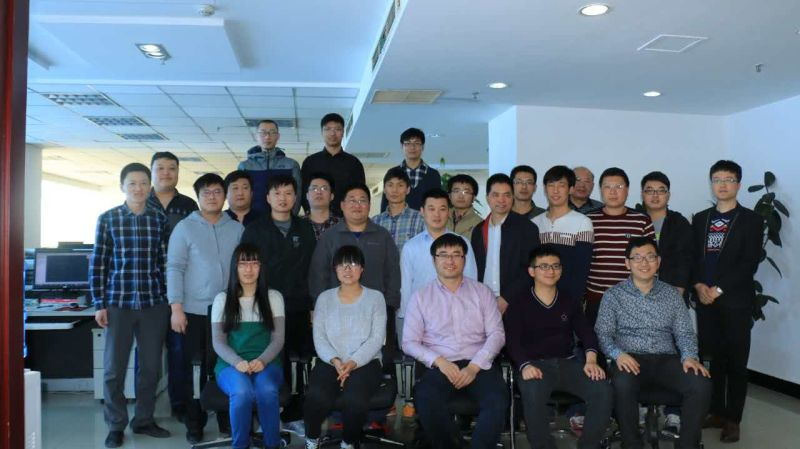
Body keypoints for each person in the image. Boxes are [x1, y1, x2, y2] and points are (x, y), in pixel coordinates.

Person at [595, 237, 711, 449]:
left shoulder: (671, 295)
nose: (644, 263)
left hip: (666, 360)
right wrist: (618, 354)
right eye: (637, 258)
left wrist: (689, 357)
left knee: (700, 383)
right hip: (630, 359)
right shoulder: (613, 295)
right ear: (627, 263)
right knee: (622, 383)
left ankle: (687, 445)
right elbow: (603, 333)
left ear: (658, 262)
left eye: (650, 257)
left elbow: (685, 332)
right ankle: (632, 444)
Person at [91, 163, 171, 448]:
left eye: (143, 183)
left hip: (153, 304)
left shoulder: (158, 219)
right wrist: (99, 303)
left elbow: (165, 263)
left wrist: (170, 301)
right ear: (122, 187)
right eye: (132, 183)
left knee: (150, 368)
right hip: (119, 304)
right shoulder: (108, 219)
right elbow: (99, 263)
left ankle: (144, 419)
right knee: (114, 369)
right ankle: (116, 425)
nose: (138, 188)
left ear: (150, 186)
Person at [403, 234, 508, 449]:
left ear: (464, 259)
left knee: (497, 399)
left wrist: (474, 367)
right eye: (443, 255)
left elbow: (497, 334)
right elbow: (409, 342)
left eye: (456, 255)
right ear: (434, 260)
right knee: (426, 398)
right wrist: (439, 361)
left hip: (478, 364)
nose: (450, 260)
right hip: (441, 365)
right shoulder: (420, 296)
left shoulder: (482, 292)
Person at [504, 245, 611, 449]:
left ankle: (588, 445)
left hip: (567, 363)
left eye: (555, 266)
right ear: (532, 271)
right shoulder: (519, 303)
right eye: (543, 266)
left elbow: (586, 332)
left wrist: (591, 360)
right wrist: (524, 365)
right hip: (534, 366)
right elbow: (512, 340)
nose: (550, 271)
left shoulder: (568, 299)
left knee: (602, 389)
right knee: (533, 393)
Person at [167, 173, 244, 443]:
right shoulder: (185, 228)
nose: (212, 197)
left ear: (224, 196)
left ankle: (226, 419)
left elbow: (244, 268)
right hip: (193, 311)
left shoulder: (235, 228)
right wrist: (176, 308)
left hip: (229, 310)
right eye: (206, 193)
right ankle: (194, 423)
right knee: (195, 368)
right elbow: (174, 268)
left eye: (217, 192)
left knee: (227, 365)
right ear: (198, 197)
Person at [691, 160, 762, 443]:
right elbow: (694, 259)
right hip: (705, 301)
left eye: (728, 179)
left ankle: (733, 419)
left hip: (735, 302)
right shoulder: (700, 219)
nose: (722, 184)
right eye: (717, 179)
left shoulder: (751, 220)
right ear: (711, 183)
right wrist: (698, 286)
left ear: (738, 185)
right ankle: (717, 411)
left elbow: (749, 263)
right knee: (713, 359)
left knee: (736, 361)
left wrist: (718, 289)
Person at [240, 174, 317, 433]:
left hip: (297, 307)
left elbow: (312, 269)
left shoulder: (305, 228)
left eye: (288, 193)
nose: (282, 198)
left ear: (295, 198)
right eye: (277, 193)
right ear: (267, 197)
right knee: (267, 361)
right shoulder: (255, 230)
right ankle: (265, 416)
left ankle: (294, 414)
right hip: (263, 307)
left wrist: (312, 305)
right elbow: (245, 269)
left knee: (298, 362)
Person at [309, 183, 401, 368]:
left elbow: (393, 271)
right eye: (352, 200)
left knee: (378, 362)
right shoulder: (330, 237)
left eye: (362, 201)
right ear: (342, 205)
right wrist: (318, 306)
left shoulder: (382, 236)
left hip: (375, 312)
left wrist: (389, 305)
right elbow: (318, 273)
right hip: (337, 314)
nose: (357, 205)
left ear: (369, 205)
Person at [304, 246, 387, 449]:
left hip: (366, 362)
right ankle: (312, 439)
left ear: (362, 269)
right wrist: (335, 361)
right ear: (335, 269)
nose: (347, 269)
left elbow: (376, 338)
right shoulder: (324, 298)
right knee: (317, 396)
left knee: (355, 399)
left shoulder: (376, 298)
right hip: (330, 361)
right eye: (342, 264)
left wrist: (352, 362)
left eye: (353, 264)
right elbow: (319, 337)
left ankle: (348, 442)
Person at [211, 243, 286, 449]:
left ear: (261, 267)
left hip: (267, 363)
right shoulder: (222, 299)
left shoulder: (273, 297)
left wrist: (262, 360)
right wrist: (237, 362)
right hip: (230, 365)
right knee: (242, 392)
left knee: (266, 390)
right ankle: (240, 445)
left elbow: (278, 339)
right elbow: (218, 341)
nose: (249, 269)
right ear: (235, 267)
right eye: (243, 264)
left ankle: (272, 445)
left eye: (254, 263)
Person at [640, 171, 694, 436]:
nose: (655, 195)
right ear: (642, 194)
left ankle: (674, 414)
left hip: (671, 297)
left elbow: (685, 259)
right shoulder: (635, 219)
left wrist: (676, 294)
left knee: (674, 354)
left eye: (660, 190)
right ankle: (639, 409)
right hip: (638, 299)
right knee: (638, 350)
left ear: (668, 195)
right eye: (649, 190)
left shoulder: (679, 223)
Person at [146, 151, 198, 419]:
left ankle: (180, 405)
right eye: (161, 168)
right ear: (152, 171)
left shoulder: (188, 205)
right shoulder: (140, 202)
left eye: (171, 168)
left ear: (178, 172)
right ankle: (144, 411)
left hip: (181, 292)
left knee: (180, 353)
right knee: (148, 355)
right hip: (147, 291)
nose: (166, 173)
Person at [399, 188, 478, 345]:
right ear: (422, 211)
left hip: (457, 318)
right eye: (431, 209)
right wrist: (408, 321)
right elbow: (406, 287)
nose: (437, 214)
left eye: (442, 209)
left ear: (449, 212)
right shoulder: (411, 247)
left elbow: (471, 282)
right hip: (422, 319)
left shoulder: (462, 243)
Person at [584, 167, 654, 327]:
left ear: (627, 190)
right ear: (600, 190)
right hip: (597, 299)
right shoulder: (587, 220)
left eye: (619, 187)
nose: (613, 192)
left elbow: (652, 261)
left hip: (633, 299)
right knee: (596, 341)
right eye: (607, 187)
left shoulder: (642, 220)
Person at [471, 174, 541, 314]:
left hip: (516, 302)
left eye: (507, 195)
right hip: (483, 300)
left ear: (513, 197)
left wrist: (506, 298)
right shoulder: (479, 230)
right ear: (487, 198)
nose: (501, 200)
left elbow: (531, 268)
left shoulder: (527, 228)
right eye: (495, 195)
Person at [532, 166, 594, 301]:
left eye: (561, 185)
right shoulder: (534, 223)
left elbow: (581, 271)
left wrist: (570, 303)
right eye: (551, 185)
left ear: (571, 189)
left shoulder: (583, 222)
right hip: (536, 297)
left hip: (567, 299)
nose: (555, 190)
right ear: (545, 188)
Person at [300, 113, 366, 216]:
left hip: (345, 220)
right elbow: (303, 192)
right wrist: (311, 215)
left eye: (337, 129)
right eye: (328, 129)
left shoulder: (354, 163)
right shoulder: (310, 162)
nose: (332, 133)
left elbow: (360, 193)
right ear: (322, 132)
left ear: (343, 132)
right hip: (315, 219)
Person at [238, 119, 302, 214]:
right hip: (252, 219)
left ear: (278, 136)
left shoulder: (291, 165)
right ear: (256, 136)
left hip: (283, 218)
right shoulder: (245, 166)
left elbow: (298, 194)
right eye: (263, 133)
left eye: (272, 132)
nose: (267, 136)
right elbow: (240, 195)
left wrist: (291, 218)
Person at [380, 127, 442, 211]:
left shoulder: (433, 175)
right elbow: (385, 204)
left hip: (426, 219)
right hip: (398, 219)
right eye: (408, 143)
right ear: (402, 146)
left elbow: (438, 203)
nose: (412, 147)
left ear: (423, 147)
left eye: (417, 143)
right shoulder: (392, 173)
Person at [372, 167, 425, 252]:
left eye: (400, 185)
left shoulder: (421, 219)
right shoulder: (375, 222)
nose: (394, 190)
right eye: (390, 185)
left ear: (408, 190)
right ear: (384, 189)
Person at [303, 172, 340, 240]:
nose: (319, 192)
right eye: (314, 188)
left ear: (332, 196)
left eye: (324, 188)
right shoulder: (297, 225)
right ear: (307, 196)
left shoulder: (342, 225)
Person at [446, 174, 484, 239]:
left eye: (466, 192)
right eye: (456, 191)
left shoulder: (480, 224)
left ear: (474, 197)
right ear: (449, 195)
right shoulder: (441, 218)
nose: (460, 196)